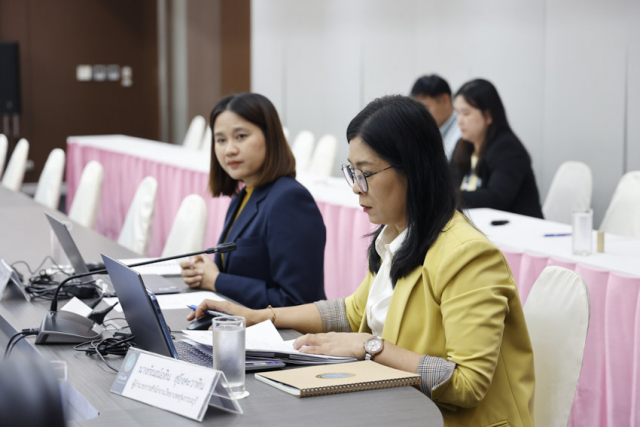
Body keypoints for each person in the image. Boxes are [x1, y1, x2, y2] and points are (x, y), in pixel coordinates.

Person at [189, 95, 535, 426]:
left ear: (413, 169)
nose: (355, 187)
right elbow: (350, 311)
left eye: (365, 173)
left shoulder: (467, 254)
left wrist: (368, 346)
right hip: (394, 407)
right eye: (351, 172)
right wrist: (261, 316)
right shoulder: (398, 235)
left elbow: (466, 383)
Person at [180, 93, 326, 309]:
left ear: (270, 137)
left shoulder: (290, 199)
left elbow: (298, 302)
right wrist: (206, 272)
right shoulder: (243, 195)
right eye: (221, 140)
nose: (229, 150)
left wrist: (217, 281)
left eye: (240, 136)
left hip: (279, 330)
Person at [452, 79, 544, 218]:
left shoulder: (508, 149)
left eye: (465, 114)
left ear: (488, 116)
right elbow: (448, 184)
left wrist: (449, 197)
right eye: (457, 113)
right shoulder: (463, 146)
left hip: (516, 228)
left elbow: (497, 198)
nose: (459, 121)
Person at [411, 74, 461, 160]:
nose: (421, 114)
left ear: (445, 100)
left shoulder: (462, 132)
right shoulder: (429, 130)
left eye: (425, 107)